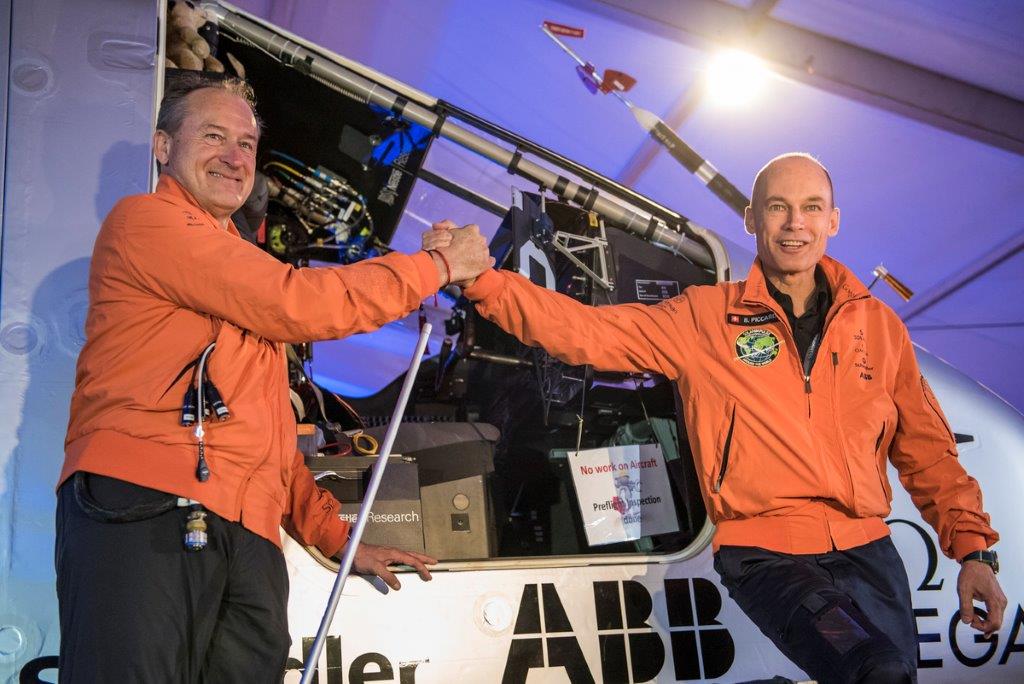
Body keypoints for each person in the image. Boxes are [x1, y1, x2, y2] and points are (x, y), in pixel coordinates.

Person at [426, 153, 1006, 683]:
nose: (794, 224)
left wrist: (973, 552)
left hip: (868, 552)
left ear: (834, 221)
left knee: (891, 678)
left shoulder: (879, 328)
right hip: (770, 558)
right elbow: (588, 333)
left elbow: (929, 451)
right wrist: (483, 281)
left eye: (811, 208)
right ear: (752, 219)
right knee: (872, 670)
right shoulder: (705, 318)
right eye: (778, 208)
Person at [56, 73, 493, 682]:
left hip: (247, 533)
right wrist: (438, 265)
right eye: (214, 137)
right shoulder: (146, 223)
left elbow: (271, 441)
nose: (235, 159)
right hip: (149, 506)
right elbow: (300, 304)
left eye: (247, 144)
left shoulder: (239, 272)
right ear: (162, 146)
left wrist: (336, 539)